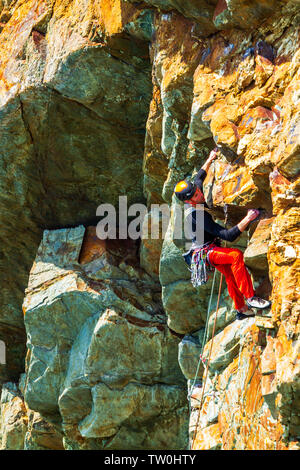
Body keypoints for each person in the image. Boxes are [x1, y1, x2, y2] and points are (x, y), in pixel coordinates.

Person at [174, 148, 271, 320]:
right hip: (206, 253)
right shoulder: (196, 215)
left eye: (198, 191)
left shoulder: (194, 190)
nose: (201, 194)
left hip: (206, 248)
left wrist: (210, 158)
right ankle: (250, 298)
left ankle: (241, 309)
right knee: (235, 256)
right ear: (189, 201)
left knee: (229, 273)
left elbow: (199, 176)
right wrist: (249, 218)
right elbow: (228, 236)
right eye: (196, 195)